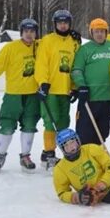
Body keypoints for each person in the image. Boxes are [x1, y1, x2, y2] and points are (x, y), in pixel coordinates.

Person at [0, 18, 41, 171]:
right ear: (21, 32)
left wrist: (71, 35)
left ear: (36, 33)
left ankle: (25, 156)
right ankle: (1, 154)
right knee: (7, 125)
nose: (29, 35)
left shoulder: (40, 46)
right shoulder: (10, 48)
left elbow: (56, 45)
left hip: (33, 95)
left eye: (32, 32)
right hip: (13, 95)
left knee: (30, 125)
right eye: (26, 31)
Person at [34, 9, 81, 168]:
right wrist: (43, 82)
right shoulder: (47, 40)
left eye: (65, 22)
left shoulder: (74, 41)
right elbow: (41, 63)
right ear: (55, 24)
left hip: (65, 90)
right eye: (60, 22)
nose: (62, 25)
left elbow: (75, 65)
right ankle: (48, 153)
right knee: (50, 122)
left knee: (63, 122)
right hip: (50, 90)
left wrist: (74, 87)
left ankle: (65, 151)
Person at [53, 128, 110, 205]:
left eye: (72, 142)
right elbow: (62, 192)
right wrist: (77, 197)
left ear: (77, 140)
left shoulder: (91, 148)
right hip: (106, 194)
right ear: (62, 149)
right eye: (66, 145)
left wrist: (102, 184)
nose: (72, 147)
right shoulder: (60, 169)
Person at [71, 18, 110, 145]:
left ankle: (97, 158)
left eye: (102, 31)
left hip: (108, 98)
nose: (99, 34)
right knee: (85, 132)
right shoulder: (85, 49)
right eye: (96, 31)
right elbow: (76, 70)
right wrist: (81, 85)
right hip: (89, 98)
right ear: (91, 33)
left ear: (106, 32)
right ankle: (85, 158)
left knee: (103, 132)